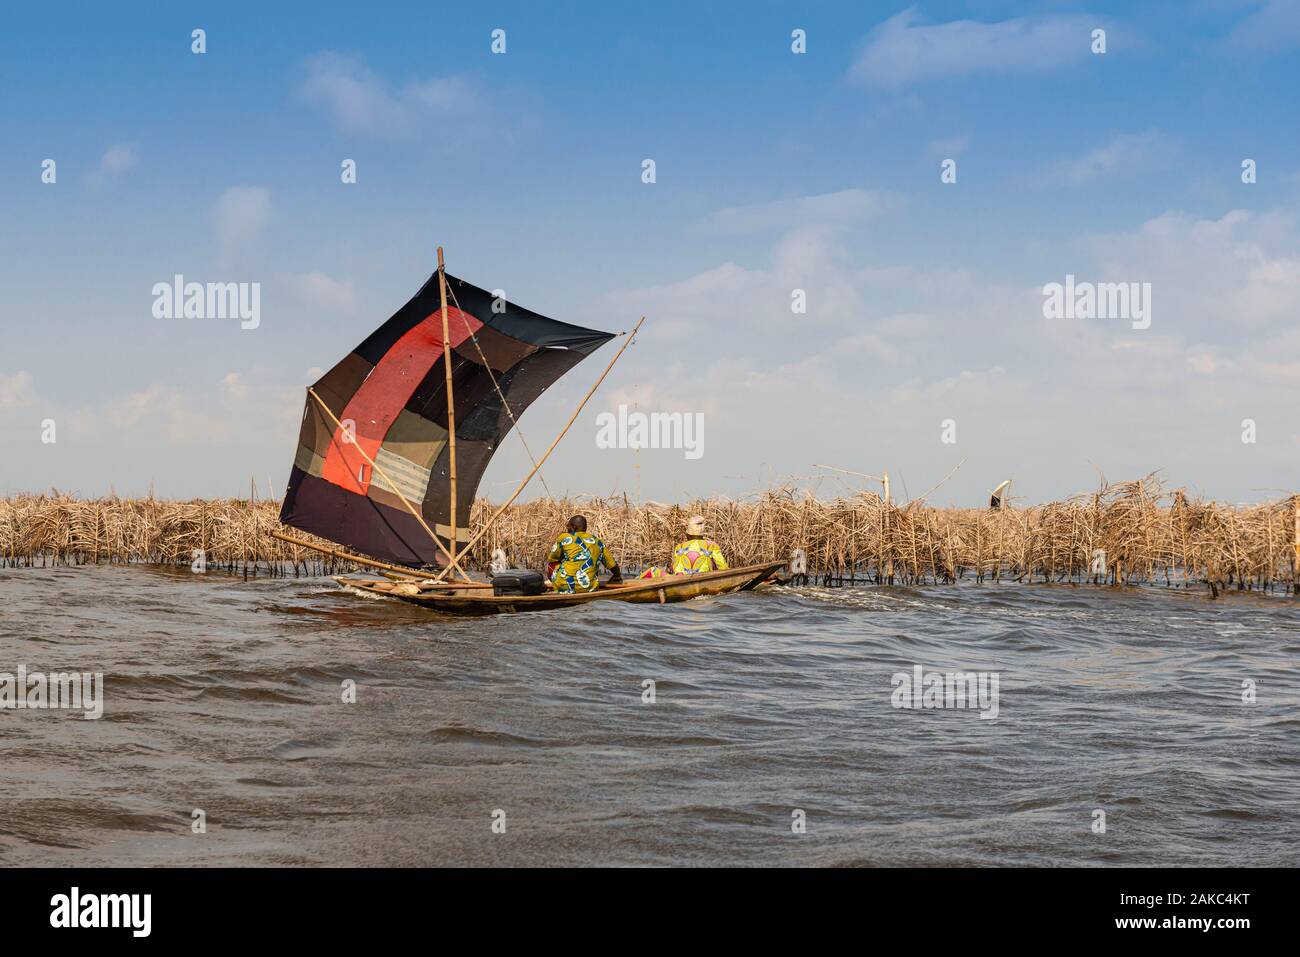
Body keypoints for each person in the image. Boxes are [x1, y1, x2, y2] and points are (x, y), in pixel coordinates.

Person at [546, 515, 622, 593]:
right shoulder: (598, 541)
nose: (567, 529)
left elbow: (552, 559)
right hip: (589, 587)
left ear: (574, 527)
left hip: (563, 584)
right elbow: (613, 565)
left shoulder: (565, 537)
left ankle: (559, 585)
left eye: (568, 527)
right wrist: (617, 576)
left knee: (551, 564)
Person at [641, 515, 728, 578]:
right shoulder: (712, 545)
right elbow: (724, 568)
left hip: (679, 578)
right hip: (702, 577)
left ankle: (634, 583)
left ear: (688, 535)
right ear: (702, 535)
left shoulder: (679, 547)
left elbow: (675, 569)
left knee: (653, 570)